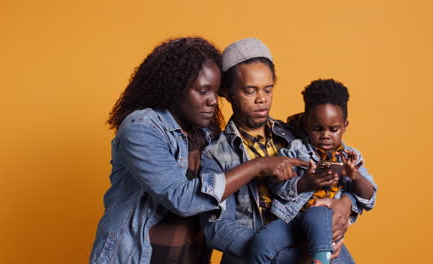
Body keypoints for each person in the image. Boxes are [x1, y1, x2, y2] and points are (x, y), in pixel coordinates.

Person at [89, 37, 306, 264]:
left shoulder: (206, 135)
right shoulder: (142, 128)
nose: (213, 101)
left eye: (215, 91)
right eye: (203, 91)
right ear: (175, 89)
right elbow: (181, 198)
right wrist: (258, 165)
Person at [200, 38, 363, 264]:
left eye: (268, 89)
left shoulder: (297, 136)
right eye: (250, 91)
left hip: (311, 246)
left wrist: (345, 204)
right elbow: (217, 229)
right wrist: (291, 251)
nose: (262, 99)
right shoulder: (215, 155)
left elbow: (346, 177)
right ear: (227, 92)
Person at [248, 79, 378, 264]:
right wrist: (305, 183)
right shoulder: (296, 150)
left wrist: (354, 176)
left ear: (345, 126)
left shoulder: (351, 158)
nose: (325, 135)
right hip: (291, 219)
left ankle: (321, 259)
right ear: (307, 123)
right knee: (261, 243)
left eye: (333, 129)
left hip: (322, 223)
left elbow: (369, 197)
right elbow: (276, 187)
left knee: (316, 213)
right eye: (318, 129)